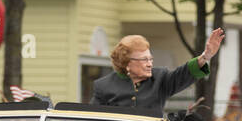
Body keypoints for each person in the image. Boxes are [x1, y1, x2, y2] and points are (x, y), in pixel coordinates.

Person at [90, 30, 225, 113]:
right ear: (127, 63)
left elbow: (183, 74)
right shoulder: (103, 86)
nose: (150, 64)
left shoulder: (160, 78)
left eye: (150, 59)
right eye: (144, 60)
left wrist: (206, 56)